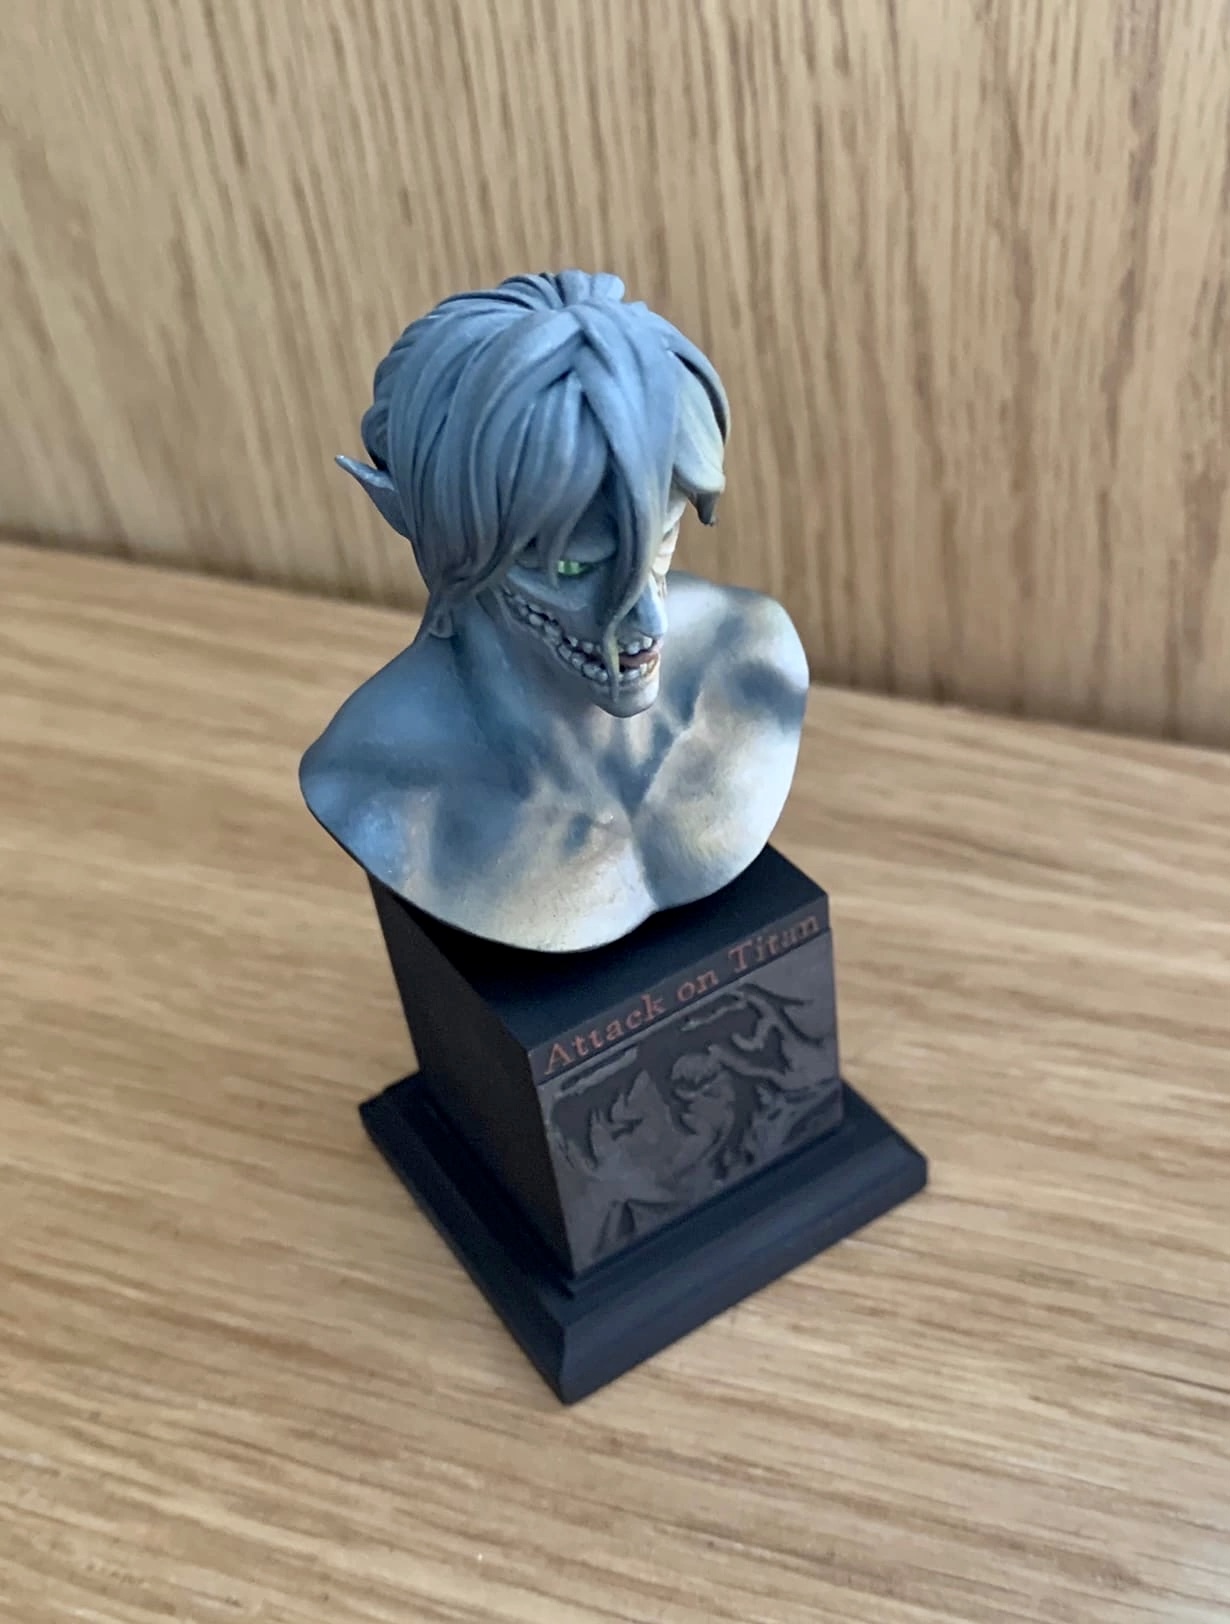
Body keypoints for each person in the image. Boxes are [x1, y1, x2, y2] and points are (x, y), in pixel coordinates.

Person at [301, 271, 808, 951]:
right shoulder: (385, 796)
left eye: (663, 537)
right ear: (436, 533)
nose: (649, 622)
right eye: (573, 569)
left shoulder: (753, 665)